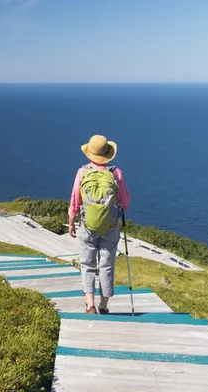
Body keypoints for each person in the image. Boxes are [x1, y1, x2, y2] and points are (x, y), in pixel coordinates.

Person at [68, 134, 130, 314]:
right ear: (108, 153)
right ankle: (104, 306)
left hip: (87, 225)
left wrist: (71, 221)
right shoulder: (116, 173)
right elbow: (125, 201)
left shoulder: (82, 172)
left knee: (87, 264)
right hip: (110, 226)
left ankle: (90, 305)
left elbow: (75, 200)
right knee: (107, 264)